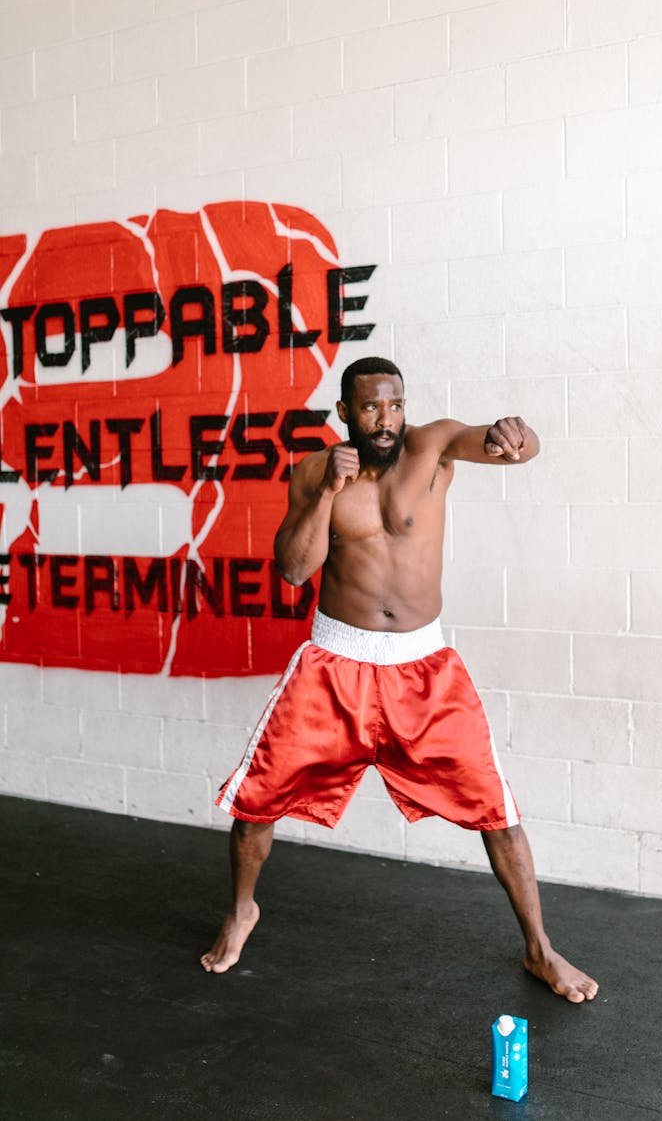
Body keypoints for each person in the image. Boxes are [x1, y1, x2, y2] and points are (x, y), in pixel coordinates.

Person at [202, 356, 598, 1004]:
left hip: (424, 672)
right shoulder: (313, 471)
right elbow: (294, 571)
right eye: (369, 408)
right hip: (334, 666)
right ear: (343, 413)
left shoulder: (433, 448)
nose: (385, 420)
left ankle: (539, 948)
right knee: (254, 802)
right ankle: (243, 909)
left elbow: (502, 445)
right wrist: (330, 490)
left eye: (393, 405)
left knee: (498, 812)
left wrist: (516, 437)